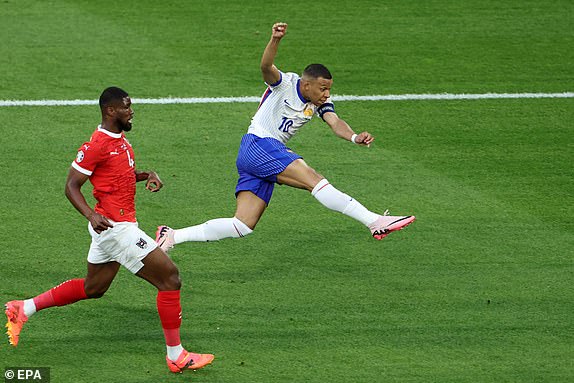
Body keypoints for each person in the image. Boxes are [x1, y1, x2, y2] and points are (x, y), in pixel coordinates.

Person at [4, 87, 214, 374]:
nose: (132, 111)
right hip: (116, 229)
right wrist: (90, 215)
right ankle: (176, 356)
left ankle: (23, 308)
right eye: (127, 107)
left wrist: (144, 175)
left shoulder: (120, 140)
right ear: (111, 110)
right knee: (170, 278)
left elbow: (117, 177)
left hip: (113, 228)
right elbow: (71, 186)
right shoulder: (97, 145)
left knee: (94, 288)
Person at [156, 22, 415, 252]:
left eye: (329, 89)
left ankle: (172, 236)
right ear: (307, 84)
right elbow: (265, 66)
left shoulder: (319, 102)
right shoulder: (286, 84)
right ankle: (373, 221)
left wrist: (355, 137)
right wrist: (276, 39)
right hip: (260, 144)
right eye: (323, 88)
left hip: (255, 155)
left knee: (242, 224)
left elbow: (335, 123)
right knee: (315, 180)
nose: (326, 94)